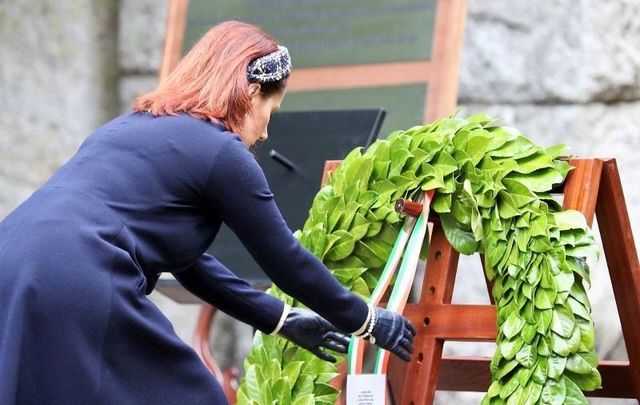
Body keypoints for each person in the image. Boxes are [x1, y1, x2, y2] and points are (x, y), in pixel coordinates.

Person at [0, 21, 415, 404]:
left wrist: (280, 319)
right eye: (272, 111)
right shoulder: (221, 151)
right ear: (252, 93)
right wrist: (367, 320)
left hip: (12, 261)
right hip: (79, 271)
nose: (267, 131)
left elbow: (188, 263)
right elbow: (284, 259)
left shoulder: (129, 127)